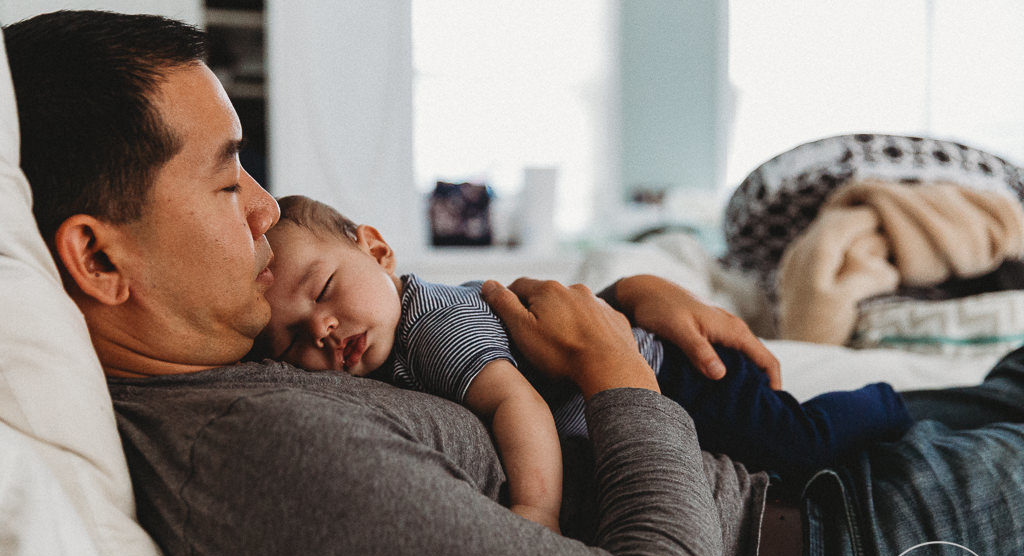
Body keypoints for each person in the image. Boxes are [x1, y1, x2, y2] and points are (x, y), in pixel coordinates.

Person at [5, 8, 1023, 556]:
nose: (268, 209)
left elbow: (467, 340)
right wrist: (624, 378)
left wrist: (622, 306)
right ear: (98, 262)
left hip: (810, 471)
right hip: (837, 541)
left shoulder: (253, 360)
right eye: (229, 181)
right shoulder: (254, 460)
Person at [256, 194, 913, 532]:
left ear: (377, 250)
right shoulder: (386, 351)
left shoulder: (432, 328)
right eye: (289, 340)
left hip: (674, 377)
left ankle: (888, 400)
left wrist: (536, 507)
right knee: (775, 468)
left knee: (794, 441)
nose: (321, 327)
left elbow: (519, 404)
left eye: (322, 291)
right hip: (641, 391)